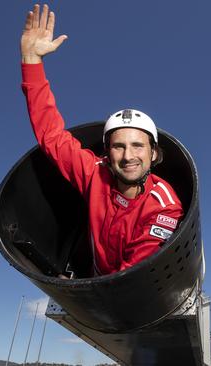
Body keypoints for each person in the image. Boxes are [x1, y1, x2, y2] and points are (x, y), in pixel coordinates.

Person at [20, 4, 183, 276]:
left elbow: (133, 274)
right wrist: (31, 60)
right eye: (119, 146)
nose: (128, 155)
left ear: (154, 153)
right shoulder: (94, 173)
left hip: (126, 293)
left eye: (138, 146)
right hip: (99, 285)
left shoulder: (165, 205)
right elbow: (50, 134)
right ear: (107, 152)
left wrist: (88, 296)